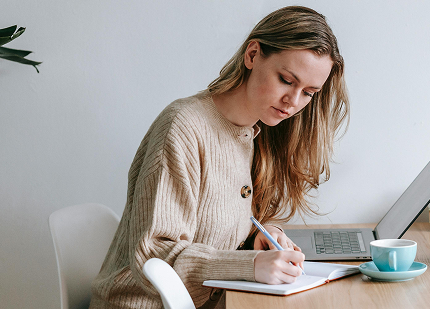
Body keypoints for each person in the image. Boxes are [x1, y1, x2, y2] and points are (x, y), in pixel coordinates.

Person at [90, 5, 349, 309]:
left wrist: (260, 237)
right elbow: (152, 254)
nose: (293, 102)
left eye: (308, 92)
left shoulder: (256, 131)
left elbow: (216, 224)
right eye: (286, 80)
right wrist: (249, 265)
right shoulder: (183, 127)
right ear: (252, 55)